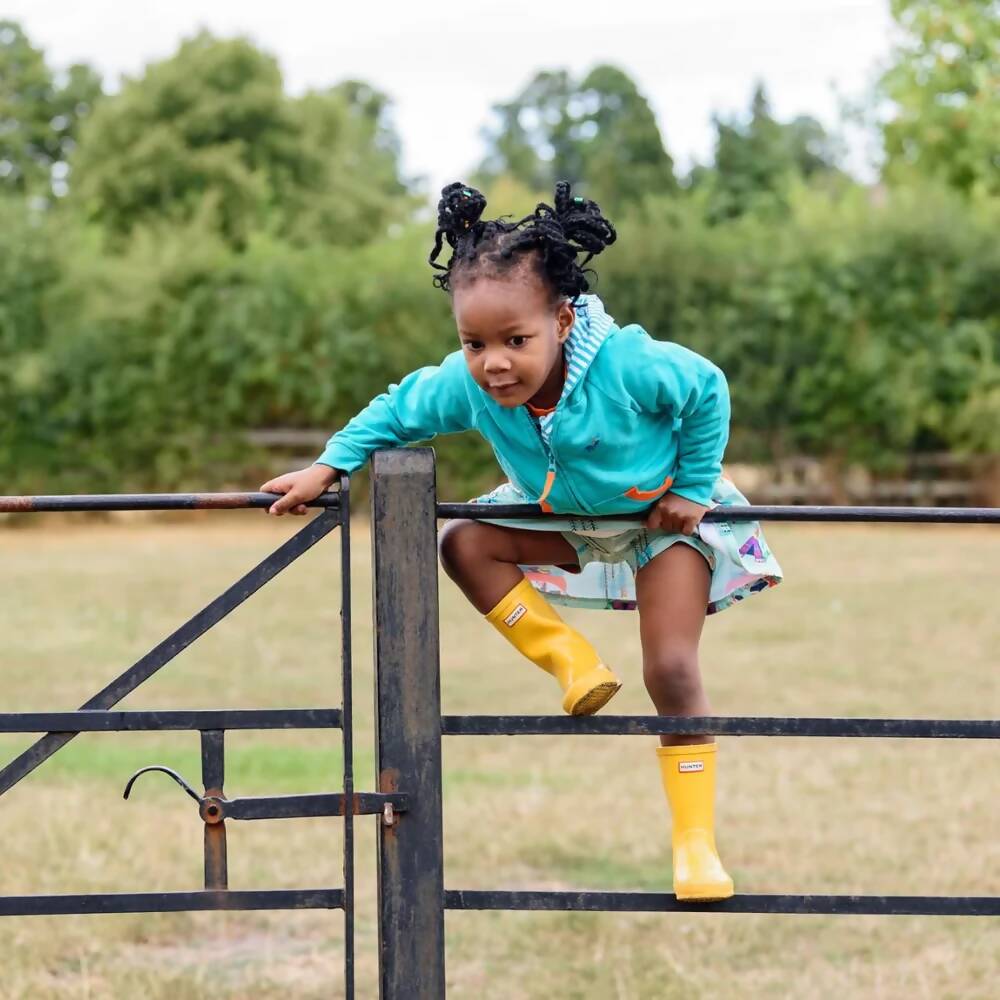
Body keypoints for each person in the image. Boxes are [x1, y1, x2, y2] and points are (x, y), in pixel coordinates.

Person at [260, 181, 783, 901]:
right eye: (474, 343)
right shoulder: (470, 384)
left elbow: (706, 389)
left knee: (670, 666)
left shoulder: (627, 364)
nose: (493, 363)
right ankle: (569, 660)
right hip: (559, 520)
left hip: (661, 524)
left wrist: (692, 489)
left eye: (515, 341)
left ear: (564, 320)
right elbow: (396, 411)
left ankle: (695, 844)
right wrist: (330, 465)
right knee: (463, 543)